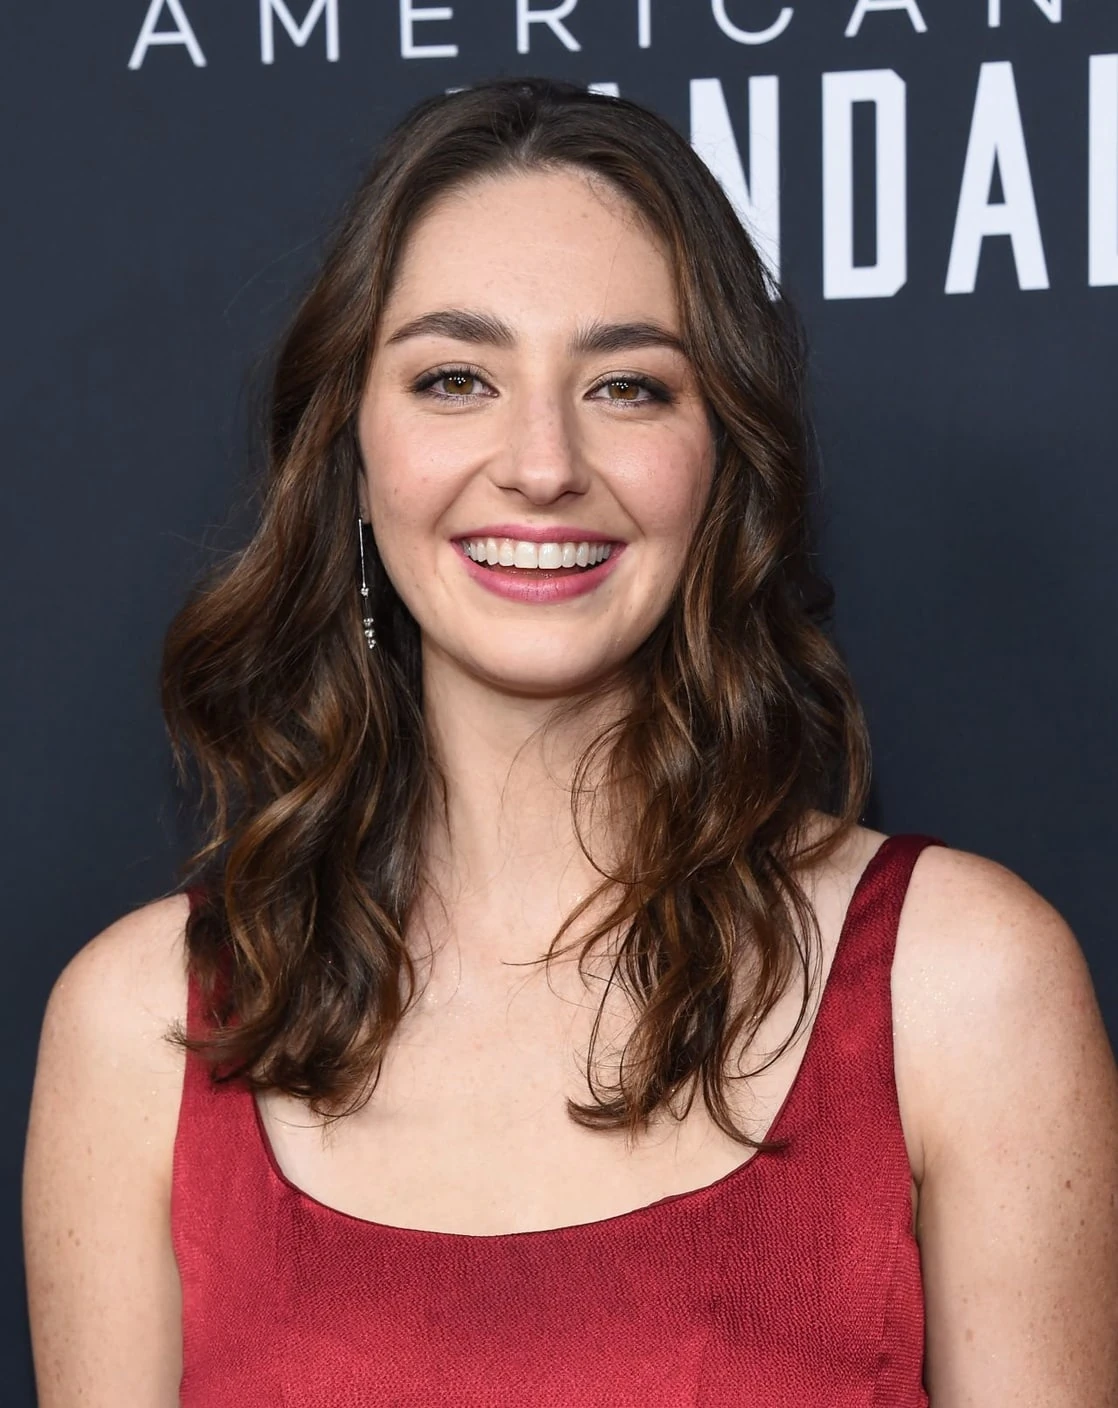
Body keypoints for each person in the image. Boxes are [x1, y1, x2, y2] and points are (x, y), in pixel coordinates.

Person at [22, 76, 1118, 1406]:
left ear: (720, 459)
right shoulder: (140, 1028)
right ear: (353, 453)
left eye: (628, 386)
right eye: (455, 379)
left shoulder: (962, 988)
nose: (542, 463)